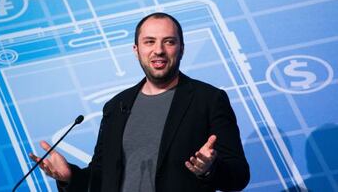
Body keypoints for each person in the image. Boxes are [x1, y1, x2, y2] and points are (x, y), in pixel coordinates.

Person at [30, 12, 250, 191]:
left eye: (169, 42)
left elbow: (238, 176)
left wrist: (209, 169)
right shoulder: (116, 106)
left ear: (181, 48)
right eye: (149, 42)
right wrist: (70, 177)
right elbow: (100, 177)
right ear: (136, 50)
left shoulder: (208, 99)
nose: (159, 50)